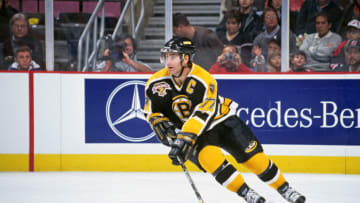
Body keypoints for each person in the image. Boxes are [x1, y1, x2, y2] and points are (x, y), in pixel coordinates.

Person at [144, 37, 306, 203]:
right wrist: (155, 120)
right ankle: (246, 193)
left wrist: (184, 137)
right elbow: (150, 109)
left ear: (185, 58)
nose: (168, 61)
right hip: (197, 134)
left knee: (256, 161)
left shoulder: (204, 79)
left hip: (222, 121)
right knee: (211, 161)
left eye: (173, 56)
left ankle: (285, 189)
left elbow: (203, 113)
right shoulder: (155, 82)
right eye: (166, 56)